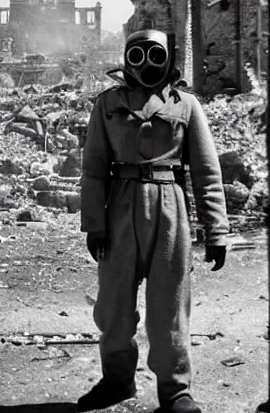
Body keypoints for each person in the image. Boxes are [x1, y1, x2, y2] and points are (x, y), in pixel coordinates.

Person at [78, 29, 229, 413]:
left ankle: (175, 391)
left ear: (169, 58)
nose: (146, 64)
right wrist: (95, 223)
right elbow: (94, 168)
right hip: (120, 207)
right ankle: (117, 380)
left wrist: (217, 231)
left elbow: (207, 173)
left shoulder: (187, 105)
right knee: (113, 305)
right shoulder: (108, 103)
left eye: (155, 55)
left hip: (170, 208)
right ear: (126, 59)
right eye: (137, 55)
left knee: (170, 304)